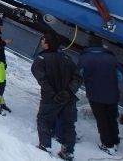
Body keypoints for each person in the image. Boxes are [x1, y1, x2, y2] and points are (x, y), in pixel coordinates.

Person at [32, 33, 82, 161]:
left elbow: (42, 80)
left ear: (48, 43)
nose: (41, 41)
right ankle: (68, 152)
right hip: (68, 100)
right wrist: (68, 92)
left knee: (44, 120)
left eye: (43, 39)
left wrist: (54, 94)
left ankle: (45, 146)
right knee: (68, 125)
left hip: (51, 99)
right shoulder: (67, 59)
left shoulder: (41, 59)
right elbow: (78, 78)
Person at [78, 35, 123, 155]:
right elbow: (120, 75)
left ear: (89, 45)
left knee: (102, 120)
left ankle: (108, 145)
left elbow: (79, 75)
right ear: (101, 45)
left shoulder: (85, 58)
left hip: (95, 95)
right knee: (111, 117)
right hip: (112, 94)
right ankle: (115, 140)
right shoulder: (111, 57)